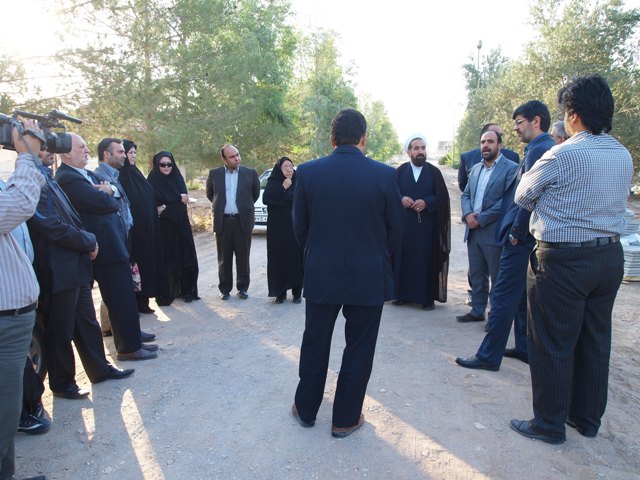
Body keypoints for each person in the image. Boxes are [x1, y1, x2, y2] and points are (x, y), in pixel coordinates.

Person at [510, 75, 633, 444]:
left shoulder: (562, 154)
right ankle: (586, 418)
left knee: (551, 341)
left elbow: (522, 195)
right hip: (608, 257)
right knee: (595, 338)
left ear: (574, 115)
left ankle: (549, 423)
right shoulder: (623, 154)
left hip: (562, 260)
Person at [291, 109, 405, 438]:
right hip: (368, 275)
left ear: (332, 138)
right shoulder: (385, 175)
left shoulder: (308, 172)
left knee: (315, 343)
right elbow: (396, 230)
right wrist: (375, 254)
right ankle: (345, 418)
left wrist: (318, 253)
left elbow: (299, 227)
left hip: (322, 273)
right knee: (359, 348)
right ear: (363, 138)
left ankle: (305, 409)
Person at [455, 100, 555, 371]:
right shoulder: (538, 149)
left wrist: (515, 233)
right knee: (518, 296)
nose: (516, 129)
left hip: (519, 240)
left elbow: (526, 199)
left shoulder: (539, 151)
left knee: (501, 296)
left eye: (519, 123)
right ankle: (523, 348)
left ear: (536, 121)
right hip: (522, 238)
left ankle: (488, 356)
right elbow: (467, 193)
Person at [27, 146, 134, 399]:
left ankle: (99, 369)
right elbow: (51, 226)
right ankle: (63, 383)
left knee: (87, 322)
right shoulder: (36, 182)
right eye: (42, 146)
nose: (50, 150)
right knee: (61, 329)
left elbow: (71, 219)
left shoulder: (48, 178)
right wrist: (88, 240)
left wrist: (86, 241)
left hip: (75, 264)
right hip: (57, 267)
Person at [56, 134, 157, 361]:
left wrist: (110, 191)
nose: (86, 150)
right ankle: (128, 348)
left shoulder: (86, 175)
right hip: (104, 247)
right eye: (81, 147)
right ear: (66, 153)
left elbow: (114, 197)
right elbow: (105, 203)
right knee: (118, 297)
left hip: (114, 243)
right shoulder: (68, 178)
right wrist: (108, 193)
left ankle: (132, 341)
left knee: (124, 296)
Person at [0, 120, 46, 480]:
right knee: (4, 410)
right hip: (5, 318)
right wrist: (26, 154)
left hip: (12, 318)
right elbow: (17, 206)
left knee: (7, 406)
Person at [457, 130, 518, 323]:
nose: (485, 145)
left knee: (497, 277)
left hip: (494, 232)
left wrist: (481, 218)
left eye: (490, 141)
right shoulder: (476, 168)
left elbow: (507, 201)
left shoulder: (511, 168)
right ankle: (477, 310)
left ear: (500, 145)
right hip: (473, 231)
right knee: (477, 274)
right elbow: (466, 195)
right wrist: (468, 215)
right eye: (483, 142)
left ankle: (495, 318)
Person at [393, 134, 450, 310]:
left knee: (426, 260)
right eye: (416, 148)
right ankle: (401, 294)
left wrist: (427, 202)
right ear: (408, 152)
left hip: (427, 228)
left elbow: (442, 198)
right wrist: (401, 198)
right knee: (404, 258)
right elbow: (391, 193)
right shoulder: (400, 172)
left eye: (423, 148)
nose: (420, 152)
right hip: (404, 227)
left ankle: (426, 298)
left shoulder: (434, 172)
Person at [118, 140, 171, 309]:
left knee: (148, 262)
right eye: (129, 152)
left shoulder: (136, 173)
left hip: (149, 227)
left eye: (134, 152)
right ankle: (138, 301)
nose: (133, 155)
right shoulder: (121, 175)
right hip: (135, 231)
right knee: (138, 264)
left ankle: (145, 299)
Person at [206, 144, 260, 300]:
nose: (237, 158)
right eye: (232, 156)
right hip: (223, 222)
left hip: (242, 221)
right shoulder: (214, 174)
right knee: (224, 258)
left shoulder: (250, 173)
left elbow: (254, 195)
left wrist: (242, 207)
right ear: (224, 159)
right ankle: (225, 289)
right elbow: (211, 195)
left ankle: (242, 288)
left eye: (237, 154)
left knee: (243, 257)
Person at [147, 151, 199, 302]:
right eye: (162, 164)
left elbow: (184, 200)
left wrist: (165, 205)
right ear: (157, 165)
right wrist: (176, 198)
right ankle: (167, 293)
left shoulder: (177, 178)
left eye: (169, 164)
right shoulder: (152, 180)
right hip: (163, 229)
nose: (166, 167)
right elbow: (153, 204)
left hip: (180, 226)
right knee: (166, 260)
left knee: (185, 258)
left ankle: (187, 291)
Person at [262, 156, 303, 304]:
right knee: (278, 259)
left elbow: (299, 198)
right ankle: (280, 293)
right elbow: (267, 199)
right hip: (277, 229)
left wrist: (281, 198)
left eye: (290, 166)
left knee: (296, 259)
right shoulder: (273, 182)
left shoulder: (298, 181)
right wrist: (283, 188)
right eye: (285, 167)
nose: (288, 169)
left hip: (295, 227)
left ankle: (297, 293)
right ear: (279, 169)